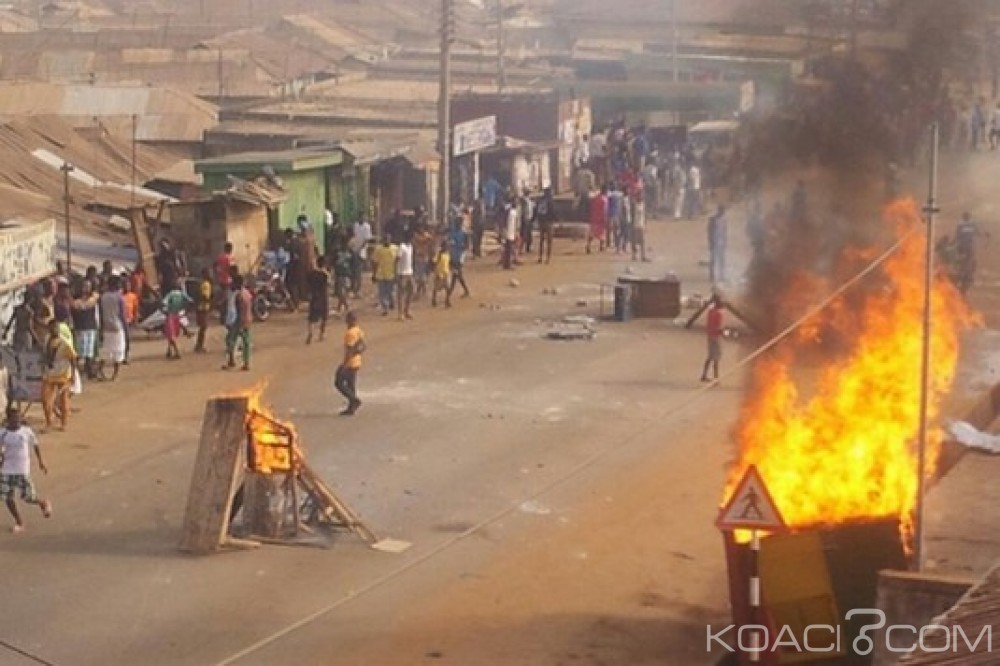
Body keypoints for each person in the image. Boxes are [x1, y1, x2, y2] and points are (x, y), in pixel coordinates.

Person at [0, 407, 52, 533]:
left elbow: (35, 445)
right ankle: (19, 522)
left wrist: (41, 462)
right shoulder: (3, 433)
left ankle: (42, 503)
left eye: (19, 418)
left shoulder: (26, 431)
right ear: (8, 420)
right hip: (7, 469)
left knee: (28, 497)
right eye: (14, 419)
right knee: (7, 497)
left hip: (22, 468)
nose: (17, 421)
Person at [41, 319, 76, 431]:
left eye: (56, 328)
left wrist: (73, 375)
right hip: (49, 374)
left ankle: (64, 423)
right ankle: (49, 422)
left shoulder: (65, 343)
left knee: (63, 400)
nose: (54, 330)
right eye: (52, 328)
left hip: (63, 374)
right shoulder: (47, 340)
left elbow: (73, 359)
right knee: (46, 400)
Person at [335, 311, 365, 416]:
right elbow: (363, 346)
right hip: (357, 361)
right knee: (351, 385)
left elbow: (349, 350)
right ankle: (351, 407)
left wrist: (344, 364)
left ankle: (354, 400)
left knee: (338, 382)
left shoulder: (350, 333)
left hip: (350, 363)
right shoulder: (359, 331)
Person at [98, 276, 127, 381]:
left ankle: (100, 370)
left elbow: (101, 314)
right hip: (117, 327)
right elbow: (122, 315)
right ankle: (115, 375)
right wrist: (126, 327)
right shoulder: (119, 297)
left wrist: (101, 327)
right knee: (118, 351)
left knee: (106, 350)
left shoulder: (103, 297)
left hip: (106, 327)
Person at [71, 280, 100, 380]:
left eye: (88, 286)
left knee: (89, 352)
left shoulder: (92, 299)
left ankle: (89, 371)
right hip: (80, 328)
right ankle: (74, 371)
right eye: (84, 286)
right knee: (79, 352)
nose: (86, 288)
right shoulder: (77, 301)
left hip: (90, 327)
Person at [223, 274, 252, 371]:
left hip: (239, 321)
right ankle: (246, 363)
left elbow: (235, 311)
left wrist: (230, 323)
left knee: (230, 340)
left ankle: (231, 360)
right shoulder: (247, 293)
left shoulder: (238, 295)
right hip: (248, 320)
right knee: (246, 342)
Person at [162, 282, 192, 360]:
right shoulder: (182, 294)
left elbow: (164, 303)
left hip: (170, 315)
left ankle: (177, 352)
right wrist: (184, 307)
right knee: (173, 333)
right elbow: (190, 301)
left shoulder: (170, 294)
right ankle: (169, 350)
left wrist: (165, 310)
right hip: (178, 314)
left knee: (171, 334)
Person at [306, 256, 331, 344]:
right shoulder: (325, 274)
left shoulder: (311, 274)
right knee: (324, 317)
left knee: (311, 318)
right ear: (324, 264)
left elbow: (308, 283)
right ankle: (321, 334)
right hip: (323, 297)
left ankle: (310, 332)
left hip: (314, 296)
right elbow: (329, 283)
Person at [371, 236, 398, 316]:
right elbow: (375, 262)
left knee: (390, 291)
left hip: (391, 274)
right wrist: (374, 274)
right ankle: (385, 308)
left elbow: (397, 261)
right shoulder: (378, 249)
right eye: (385, 239)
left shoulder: (395, 248)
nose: (387, 241)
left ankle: (391, 302)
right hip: (381, 274)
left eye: (388, 239)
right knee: (382, 293)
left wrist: (397, 273)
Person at [700, 297, 724, 383]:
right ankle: (716, 378)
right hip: (715, 337)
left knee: (710, 356)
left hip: (710, 336)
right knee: (716, 358)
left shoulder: (710, 312)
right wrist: (724, 333)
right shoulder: (718, 314)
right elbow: (718, 327)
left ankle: (704, 375)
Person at [447, 220, 471, 301]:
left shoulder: (464, 233)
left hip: (459, 256)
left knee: (456, 275)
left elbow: (466, 246)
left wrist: (461, 246)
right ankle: (466, 290)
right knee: (457, 275)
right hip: (453, 255)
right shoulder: (452, 232)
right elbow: (449, 242)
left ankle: (449, 293)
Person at [535, 186, 557, 264]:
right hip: (549, 222)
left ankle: (540, 257)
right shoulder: (550, 201)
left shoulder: (540, 201)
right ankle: (548, 258)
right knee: (549, 241)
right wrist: (556, 220)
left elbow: (536, 211)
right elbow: (553, 212)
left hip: (541, 222)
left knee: (541, 241)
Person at [708, 204, 728, 284]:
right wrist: (710, 241)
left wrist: (725, 241)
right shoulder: (713, 219)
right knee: (713, 259)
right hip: (714, 241)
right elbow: (709, 231)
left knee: (721, 260)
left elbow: (725, 232)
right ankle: (712, 275)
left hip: (721, 242)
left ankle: (721, 275)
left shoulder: (724, 220)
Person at [396, 236, 415, 321]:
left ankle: (407, 310)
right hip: (402, 273)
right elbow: (397, 259)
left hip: (409, 272)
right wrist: (396, 271)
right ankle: (400, 314)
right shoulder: (402, 246)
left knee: (412, 290)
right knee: (401, 293)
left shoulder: (410, 246)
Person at [194, 267, 213, 353]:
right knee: (203, 327)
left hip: (202, 307)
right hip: (203, 308)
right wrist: (210, 301)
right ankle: (199, 346)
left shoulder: (204, 283)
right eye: (209, 273)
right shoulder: (205, 284)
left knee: (203, 327)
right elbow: (204, 296)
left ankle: (199, 345)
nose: (211, 274)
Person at [332, 240, 353, 315]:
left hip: (345, 274)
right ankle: (343, 307)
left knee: (343, 292)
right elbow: (334, 263)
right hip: (341, 274)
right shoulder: (338, 253)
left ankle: (344, 307)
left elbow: (352, 264)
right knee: (341, 292)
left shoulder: (349, 253)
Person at [586, 186, 608, 254]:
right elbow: (605, 210)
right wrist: (605, 218)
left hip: (593, 218)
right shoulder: (604, 200)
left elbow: (590, 208)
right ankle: (601, 246)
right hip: (601, 219)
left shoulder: (594, 199)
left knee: (592, 233)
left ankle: (588, 246)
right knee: (602, 233)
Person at [431, 241, 451, 307]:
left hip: (446, 273)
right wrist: (436, 273)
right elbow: (434, 263)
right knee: (436, 288)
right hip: (439, 273)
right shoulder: (439, 254)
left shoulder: (447, 254)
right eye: (445, 246)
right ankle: (433, 299)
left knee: (448, 288)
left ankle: (447, 301)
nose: (446, 247)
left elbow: (448, 263)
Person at [631, 190, 649, 262]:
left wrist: (645, 225)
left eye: (641, 195)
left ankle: (643, 256)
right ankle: (634, 256)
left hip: (641, 225)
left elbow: (645, 215)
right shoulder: (634, 204)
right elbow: (631, 215)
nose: (641, 197)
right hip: (635, 225)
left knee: (643, 242)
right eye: (639, 195)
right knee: (634, 242)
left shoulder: (643, 204)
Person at [502, 196, 519, 269]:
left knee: (508, 248)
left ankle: (507, 263)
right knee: (509, 248)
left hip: (511, 231)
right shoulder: (510, 211)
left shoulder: (513, 211)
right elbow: (505, 221)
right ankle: (508, 264)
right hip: (509, 231)